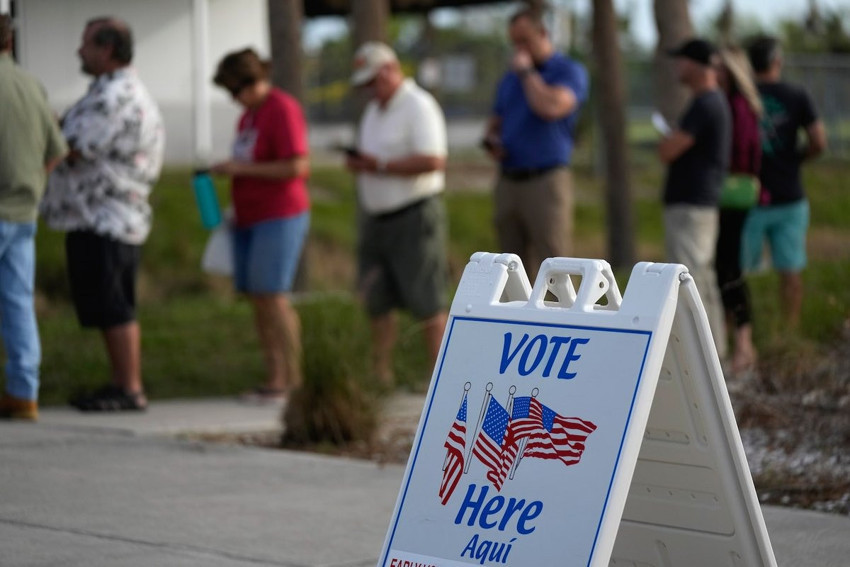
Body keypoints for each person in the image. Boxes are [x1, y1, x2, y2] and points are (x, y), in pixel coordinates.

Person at [41, 17, 164, 411]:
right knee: (105, 304)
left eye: (86, 44)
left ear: (107, 50)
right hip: (95, 216)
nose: (79, 51)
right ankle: (119, 383)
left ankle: (129, 388)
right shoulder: (105, 92)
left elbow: (70, 145)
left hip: (108, 218)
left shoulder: (116, 97)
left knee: (115, 306)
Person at [345, 42, 448, 386]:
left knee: (427, 300)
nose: (369, 91)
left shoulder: (418, 105)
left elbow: (433, 160)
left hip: (413, 216)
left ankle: (441, 377)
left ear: (389, 70)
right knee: (377, 301)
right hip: (378, 219)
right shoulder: (374, 112)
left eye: (372, 81)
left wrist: (380, 165)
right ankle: (381, 375)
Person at [210, 48, 310, 402]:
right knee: (258, 298)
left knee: (274, 296)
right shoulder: (248, 116)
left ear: (251, 81)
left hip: (279, 214)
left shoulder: (281, 108)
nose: (234, 99)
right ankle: (274, 376)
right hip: (248, 217)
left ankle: (292, 379)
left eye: (235, 91)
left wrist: (240, 170)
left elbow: (297, 166)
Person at [482, 7, 588, 282]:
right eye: (514, 43)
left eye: (524, 41)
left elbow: (551, 107)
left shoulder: (567, 71)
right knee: (511, 269)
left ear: (543, 34)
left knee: (555, 265)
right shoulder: (509, 80)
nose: (519, 50)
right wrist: (493, 140)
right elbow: (496, 122)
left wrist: (528, 72)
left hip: (545, 180)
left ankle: (560, 322)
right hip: (509, 178)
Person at [0, 13, 68, 421]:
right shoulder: (30, 84)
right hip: (24, 210)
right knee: (17, 304)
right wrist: (35, 183)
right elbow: (57, 149)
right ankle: (24, 393)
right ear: (9, 42)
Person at [744, 36, 827, 329]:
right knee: (790, 271)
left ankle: (740, 330)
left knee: (737, 272)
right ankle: (789, 329)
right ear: (777, 60)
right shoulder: (796, 94)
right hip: (790, 194)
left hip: (748, 196)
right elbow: (819, 141)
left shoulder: (741, 94)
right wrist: (796, 158)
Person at [658, 38, 731, 359]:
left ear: (697, 64)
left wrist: (669, 140)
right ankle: (714, 350)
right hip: (698, 205)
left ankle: (704, 356)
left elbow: (669, 149)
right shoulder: (709, 102)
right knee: (702, 277)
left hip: (692, 206)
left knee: (690, 280)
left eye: (682, 60)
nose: (676, 66)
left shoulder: (705, 104)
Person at [714, 46, 762, 374]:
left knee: (729, 268)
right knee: (723, 267)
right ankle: (736, 340)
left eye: (718, 68)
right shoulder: (729, 104)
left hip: (733, 195)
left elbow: (744, 154)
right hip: (728, 194)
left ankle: (744, 343)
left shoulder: (738, 107)